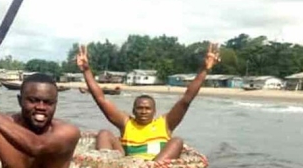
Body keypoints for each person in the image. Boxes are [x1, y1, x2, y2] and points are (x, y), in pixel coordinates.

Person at [75, 43, 220, 161]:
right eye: (139, 108)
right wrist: (86, 70)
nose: (143, 111)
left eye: (147, 108)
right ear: (133, 111)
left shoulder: (165, 123)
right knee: (104, 134)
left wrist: (204, 70)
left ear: (154, 111)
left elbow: (186, 99)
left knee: (177, 141)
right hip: (127, 165)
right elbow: (101, 99)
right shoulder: (126, 123)